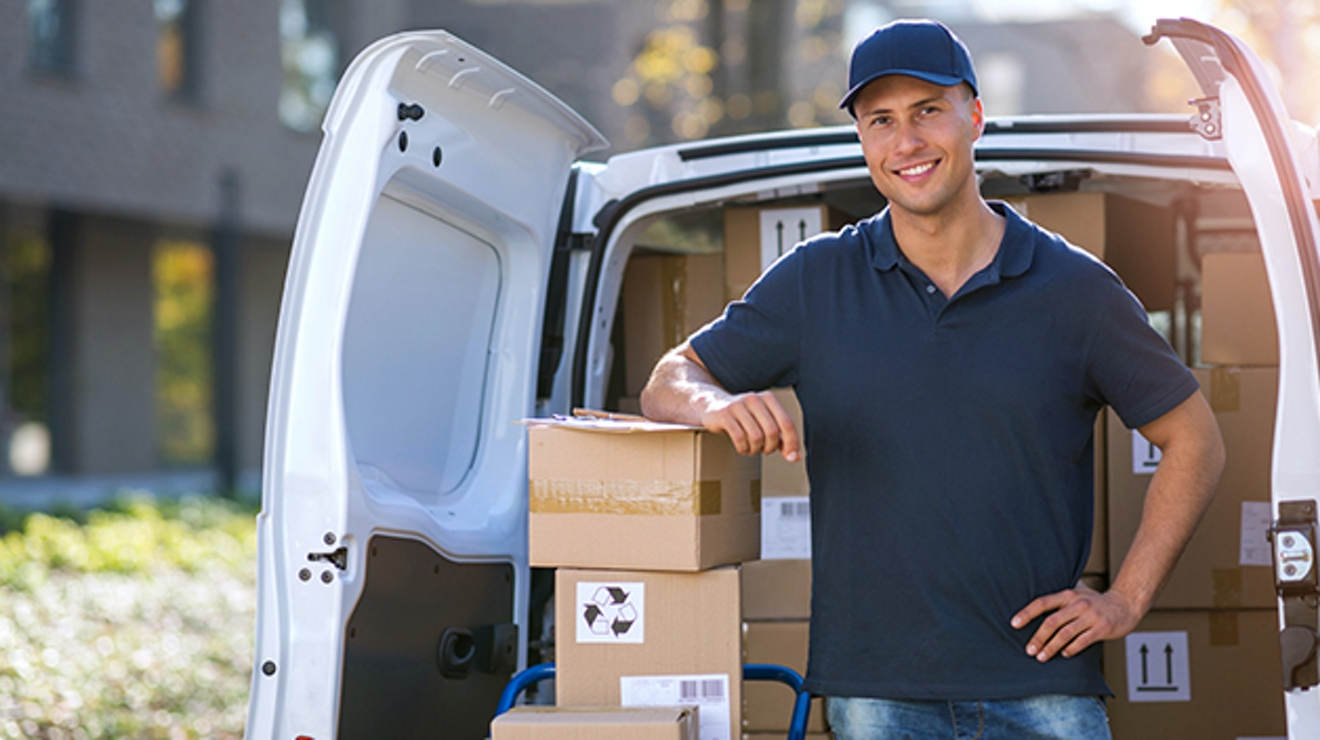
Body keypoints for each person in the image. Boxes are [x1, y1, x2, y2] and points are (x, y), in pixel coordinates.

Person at [639, 18, 1225, 740]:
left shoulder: (1075, 291)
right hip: (876, 695)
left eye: (927, 112)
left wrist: (1127, 600)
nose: (906, 143)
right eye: (880, 121)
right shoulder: (816, 282)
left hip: (1042, 690)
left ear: (974, 116)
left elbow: (1195, 438)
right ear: (861, 139)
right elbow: (669, 379)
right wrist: (716, 403)